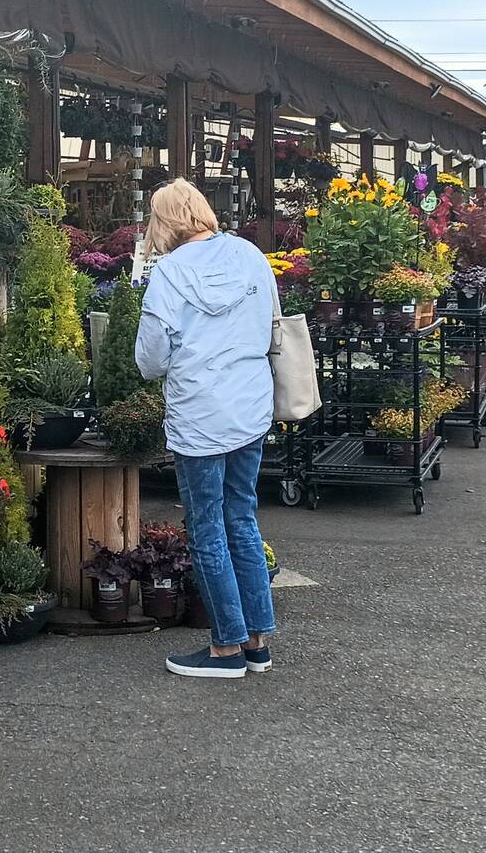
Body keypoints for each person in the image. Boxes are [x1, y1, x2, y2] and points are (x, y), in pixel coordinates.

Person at [134, 180, 278, 679]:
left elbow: (150, 361)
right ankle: (257, 641)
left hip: (200, 415)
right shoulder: (250, 255)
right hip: (251, 408)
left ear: (164, 222)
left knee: (206, 529)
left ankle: (225, 650)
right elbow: (271, 323)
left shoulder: (169, 274)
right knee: (241, 517)